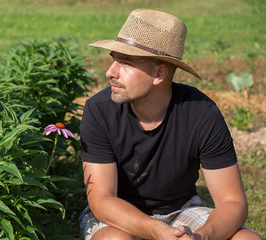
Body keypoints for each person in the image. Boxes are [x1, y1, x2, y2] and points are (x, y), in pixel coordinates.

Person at [79, 9, 262, 240]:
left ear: (159, 74)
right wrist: (157, 231)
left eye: (125, 63)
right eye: (113, 59)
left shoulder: (201, 113)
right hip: (118, 215)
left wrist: (200, 237)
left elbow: (233, 202)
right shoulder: (99, 110)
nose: (110, 72)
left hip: (181, 211)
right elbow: (102, 200)